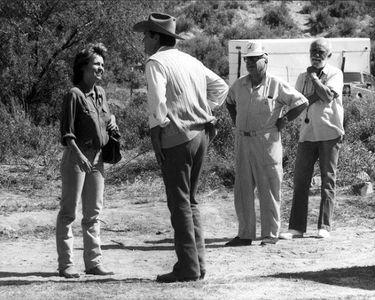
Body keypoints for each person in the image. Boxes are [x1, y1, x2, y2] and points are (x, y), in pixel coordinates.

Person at [133, 12, 229, 282]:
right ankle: (198, 264)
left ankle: (188, 267)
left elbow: (157, 102)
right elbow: (221, 87)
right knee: (190, 201)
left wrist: (157, 130)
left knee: (179, 203)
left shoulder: (156, 62)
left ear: (154, 36)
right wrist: (204, 110)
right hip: (201, 134)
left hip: (177, 137)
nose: (143, 41)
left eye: (145, 35)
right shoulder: (191, 60)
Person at [225, 40, 308, 247]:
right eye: (247, 59)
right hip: (243, 141)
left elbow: (301, 102)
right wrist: (236, 121)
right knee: (242, 188)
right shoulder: (239, 84)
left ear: (265, 60)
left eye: (255, 59)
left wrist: (284, 120)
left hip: (267, 141)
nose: (250, 63)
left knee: (269, 188)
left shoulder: (275, 84)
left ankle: (270, 235)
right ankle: (245, 234)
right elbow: (229, 102)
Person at [57, 43, 118, 278]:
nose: (101, 68)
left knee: (93, 213)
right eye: (96, 64)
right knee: (68, 213)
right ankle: (67, 265)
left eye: (103, 64)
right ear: (83, 67)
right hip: (77, 156)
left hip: (98, 158)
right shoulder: (74, 95)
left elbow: (106, 117)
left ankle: (93, 263)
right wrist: (80, 155)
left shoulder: (100, 93)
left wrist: (113, 121)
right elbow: (67, 133)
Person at [280, 38, 344, 240]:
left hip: (330, 134)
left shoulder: (335, 73)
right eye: (313, 51)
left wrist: (315, 78)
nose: (316, 54)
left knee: (328, 181)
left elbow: (327, 96)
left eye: (321, 52)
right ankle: (296, 228)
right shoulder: (301, 77)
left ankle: (324, 226)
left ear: (329, 55)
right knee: (300, 181)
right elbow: (297, 101)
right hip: (307, 134)